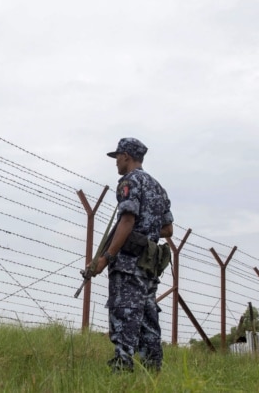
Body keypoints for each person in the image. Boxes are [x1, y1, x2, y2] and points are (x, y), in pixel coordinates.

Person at [91, 137, 173, 373]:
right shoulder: (158, 187)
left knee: (124, 313)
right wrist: (146, 230)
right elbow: (168, 229)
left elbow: (127, 220)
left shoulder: (129, 181)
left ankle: (122, 369)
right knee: (148, 317)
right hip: (149, 263)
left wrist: (105, 258)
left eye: (117, 156)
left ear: (126, 156)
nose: (116, 161)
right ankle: (152, 371)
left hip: (128, 263)